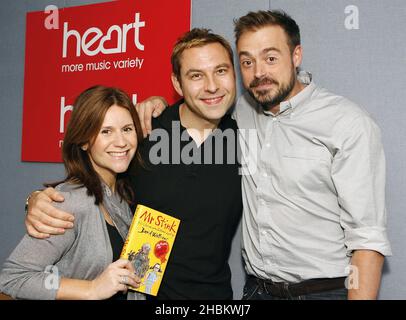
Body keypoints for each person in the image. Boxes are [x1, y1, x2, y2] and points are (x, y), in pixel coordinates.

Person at [107, 10, 393, 300]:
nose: (258, 73)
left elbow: (367, 239)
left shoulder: (345, 123)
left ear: (296, 55)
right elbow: (97, 177)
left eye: (271, 58)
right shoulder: (233, 116)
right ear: (178, 84)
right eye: (247, 62)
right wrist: (60, 201)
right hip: (253, 290)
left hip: (323, 291)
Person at [23, 29, 243, 299]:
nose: (211, 86)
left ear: (234, 74)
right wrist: (35, 199)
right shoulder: (142, 133)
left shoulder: (247, 140)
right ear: (177, 83)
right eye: (196, 75)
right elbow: (93, 185)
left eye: (221, 71)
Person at [0, 86, 145, 300]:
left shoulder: (120, 196)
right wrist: (92, 289)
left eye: (127, 129)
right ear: (85, 141)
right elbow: (13, 278)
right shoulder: (71, 201)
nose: (121, 142)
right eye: (106, 131)